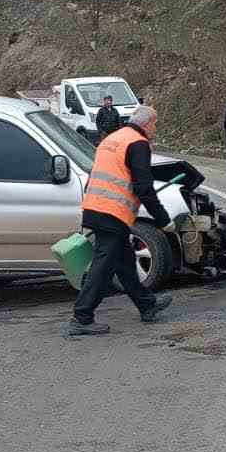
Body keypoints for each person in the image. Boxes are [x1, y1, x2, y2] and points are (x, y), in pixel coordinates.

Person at [67, 105, 175, 337]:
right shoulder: (138, 143)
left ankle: (147, 305)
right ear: (147, 124)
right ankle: (81, 317)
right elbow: (143, 187)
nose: (155, 129)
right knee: (102, 266)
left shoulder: (113, 139)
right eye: (155, 124)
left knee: (124, 262)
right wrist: (164, 219)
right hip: (113, 212)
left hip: (95, 206)